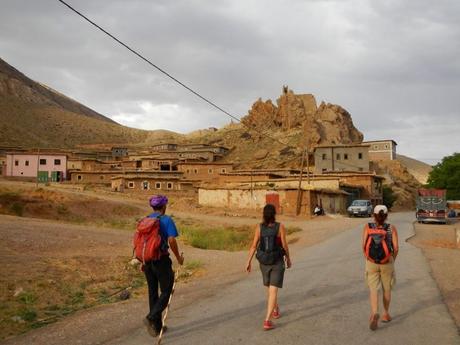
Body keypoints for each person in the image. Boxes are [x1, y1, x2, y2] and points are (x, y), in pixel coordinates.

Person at [143, 195, 184, 337]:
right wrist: (178, 257)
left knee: (153, 292)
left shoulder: (145, 220)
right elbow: (171, 240)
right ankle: (151, 317)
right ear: (164, 206)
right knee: (167, 290)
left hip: (147, 261)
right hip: (161, 260)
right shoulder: (166, 220)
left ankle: (157, 327)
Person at [246, 204, 292, 330]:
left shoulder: (259, 227)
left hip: (264, 263)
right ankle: (273, 312)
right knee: (273, 290)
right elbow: (284, 244)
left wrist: (248, 261)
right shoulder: (280, 227)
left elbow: (254, 246)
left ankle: (268, 318)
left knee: (271, 290)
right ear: (274, 214)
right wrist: (288, 258)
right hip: (277, 261)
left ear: (264, 214)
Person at [362, 205, 399, 331]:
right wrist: (392, 259)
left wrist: (369, 258)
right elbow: (396, 247)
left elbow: (363, 246)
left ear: (374, 215)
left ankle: (374, 312)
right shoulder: (391, 228)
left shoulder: (368, 227)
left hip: (371, 262)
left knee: (373, 289)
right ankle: (385, 314)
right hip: (387, 262)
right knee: (386, 289)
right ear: (387, 215)